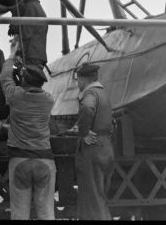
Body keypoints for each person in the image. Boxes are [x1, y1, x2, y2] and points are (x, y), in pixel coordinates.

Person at [0, 38, 56, 220]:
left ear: (23, 80)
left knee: (19, 213)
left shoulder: (15, 96)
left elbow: (4, 77)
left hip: (20, 160)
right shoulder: (48, 100)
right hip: (45, 161)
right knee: (46, 212)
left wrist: (11, 56)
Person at [74, 62, 114, 220]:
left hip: (93, 147)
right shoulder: (103, 93)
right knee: (100, 197)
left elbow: (87, 108)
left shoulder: (90, 93)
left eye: (78, 80)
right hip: (106, 146)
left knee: (92, 200)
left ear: (82, 79)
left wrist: (83, 131)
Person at [8, 0, 48, 68]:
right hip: (38, 56)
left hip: (31, 56)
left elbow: (26, 34)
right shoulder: (38, 7)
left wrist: (18, 53)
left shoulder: (30, 7)